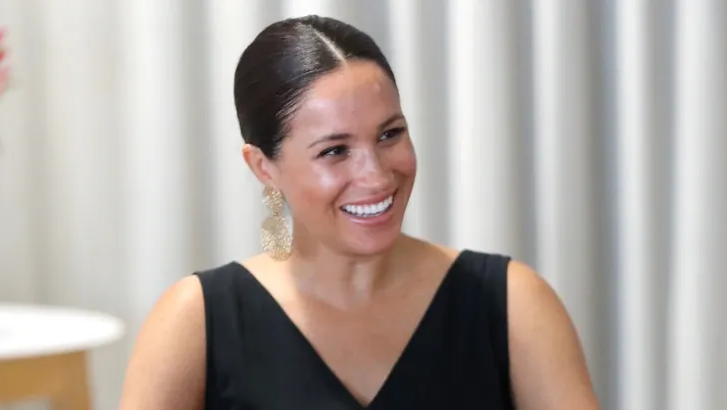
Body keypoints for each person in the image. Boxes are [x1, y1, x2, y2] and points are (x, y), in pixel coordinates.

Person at [118, 15, 599, 410]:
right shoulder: (196, 321)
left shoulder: (511, 303)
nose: (376, 175)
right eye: (334, 151)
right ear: (263, 167)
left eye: (390, 134)